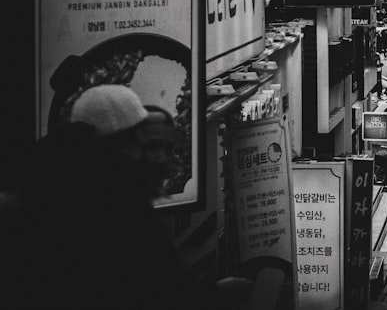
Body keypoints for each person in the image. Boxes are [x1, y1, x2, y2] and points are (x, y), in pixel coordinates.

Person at [7, 85, 249, 309]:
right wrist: (214, 294)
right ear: (123, 141)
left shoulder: (34, 187)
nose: (155, 158)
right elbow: (155, 293)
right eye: (144, 143)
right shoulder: (118, 204)